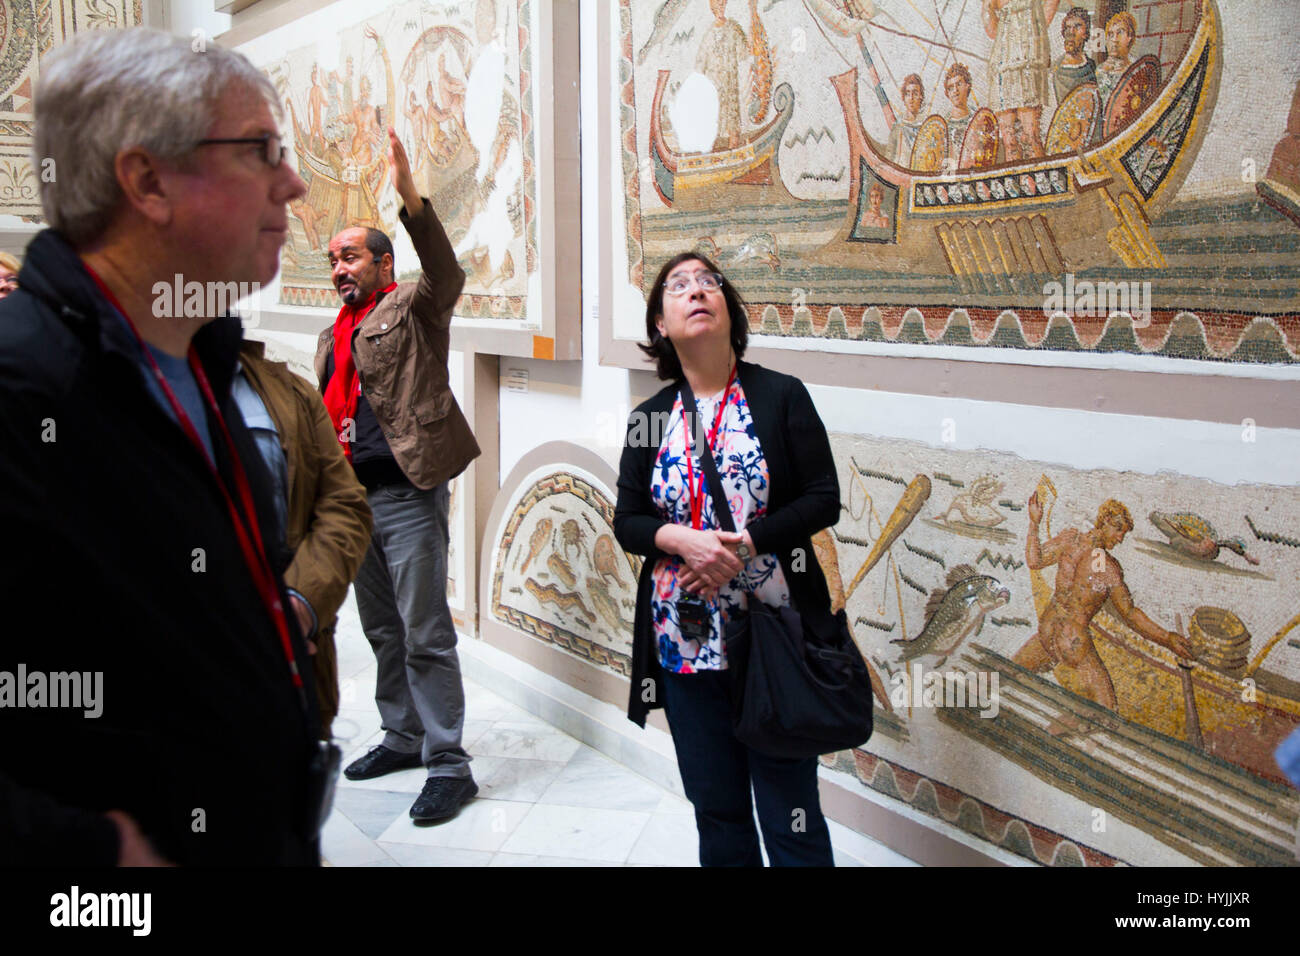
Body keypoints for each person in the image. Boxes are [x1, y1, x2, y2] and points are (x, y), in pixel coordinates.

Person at [0, 28, 320, 865]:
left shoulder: (200, 358)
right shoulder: (20, 389)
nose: (294, 181)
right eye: (259, 150)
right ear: (145, 179)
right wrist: (89, 852)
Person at [615, 251, 841, 866]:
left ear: (727, 308)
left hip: (772, 637)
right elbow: (628, 519)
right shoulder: (649, 419)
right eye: (678, 286)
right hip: (685, 645)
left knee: (790, 814)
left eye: (708, 283)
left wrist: (748, 544)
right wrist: (681, 540)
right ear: (660, 323)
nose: (696, 292)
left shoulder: (780, 397)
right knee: (717, 811)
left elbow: (824, 498)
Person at [316, 127, 481, 823]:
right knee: (381, 631)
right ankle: (403, 735)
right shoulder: (335, 333)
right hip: (352, 502)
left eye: (349, 255)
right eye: (332, 259)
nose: (338, 268)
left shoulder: (413, 308)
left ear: (384, 264)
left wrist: (411, 196)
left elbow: (447, 272)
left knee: (425, 631)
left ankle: (450, 763)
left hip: (408, 493)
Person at [235, 338, 374, 739]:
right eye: (333, 267)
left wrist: (297, 606)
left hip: (288, 674)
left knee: (413, 634)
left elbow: (342, 503)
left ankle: (432, 752)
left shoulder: (287, 393)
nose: (340, 271)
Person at [1012, 494, 1192, 715]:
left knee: (1011, 671)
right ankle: (1060, 731)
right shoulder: (1108, 567)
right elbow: (1130, 613)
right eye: (1118, 530)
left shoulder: (1070, 539)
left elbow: (1034, 560)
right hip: (1072, 640)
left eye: (1123, 533)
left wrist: (1034, 522)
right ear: (1105, 521)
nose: (1120, 539)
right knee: (1106, 709)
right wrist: (1167, 639)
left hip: (1048, 629)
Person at [983, 0, 1059, 160]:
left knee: (1031, 136)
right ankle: (1015, 184)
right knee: (1009, 140)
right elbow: (991, 30)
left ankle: (1037, 183)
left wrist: (1034, 32)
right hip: (1003, 62)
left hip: (1028, 60)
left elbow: (1051, 5)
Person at [1051, 6, 1097, 107]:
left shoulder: (1091, 66)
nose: (1071, 32)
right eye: (1067, 27)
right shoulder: (1055, 68)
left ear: (1086, 33)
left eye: (1077, 26)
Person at [1096, 11, 1138, 106]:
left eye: (1120, 33)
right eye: (1110, 34)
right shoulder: (1098, 72)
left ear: (1130, 37)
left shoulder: (1137, 69)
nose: (1114, 39)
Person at [887, 73, 926, 166]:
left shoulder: (926, 125)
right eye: (908, 94)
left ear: (921, 97)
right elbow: (889, 156)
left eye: (915, 93)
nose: (911, 98)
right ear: (904, 98)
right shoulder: (898, 126)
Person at [943, 63, 975, 166]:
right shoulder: (943, 125)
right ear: (947, 93)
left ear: (967, 85)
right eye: (951, 88)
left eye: (959, 84)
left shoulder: (978, 118)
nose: (955, 91)